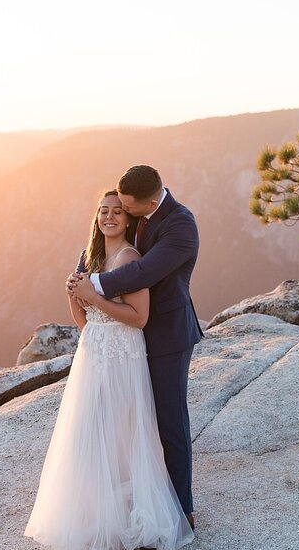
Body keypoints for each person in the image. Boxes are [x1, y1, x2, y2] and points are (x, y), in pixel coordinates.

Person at [24, 189, 194, 550]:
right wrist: (79, 304)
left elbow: (139, 318)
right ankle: (98, 515)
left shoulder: (130, 257)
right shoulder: (89, 255)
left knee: (124, 429)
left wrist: (95, 299)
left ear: (129, 218)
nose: (109, 217)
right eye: (103, 211)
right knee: (91, 429)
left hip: (123, 353)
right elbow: (82, 313)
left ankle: (142, 513)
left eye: (117, 211)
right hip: (95, 351)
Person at [69, 165, 202, 531]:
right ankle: (130, 502)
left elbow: (143, 274)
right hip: (122, 341)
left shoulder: (180, 225)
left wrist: (91, 286)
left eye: (128, 209)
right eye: (114, 207)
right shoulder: (129, 217)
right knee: (129, 423)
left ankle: (180, 511)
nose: (121, 214)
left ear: (150, 200)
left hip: (166, 336)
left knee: (168, 423)